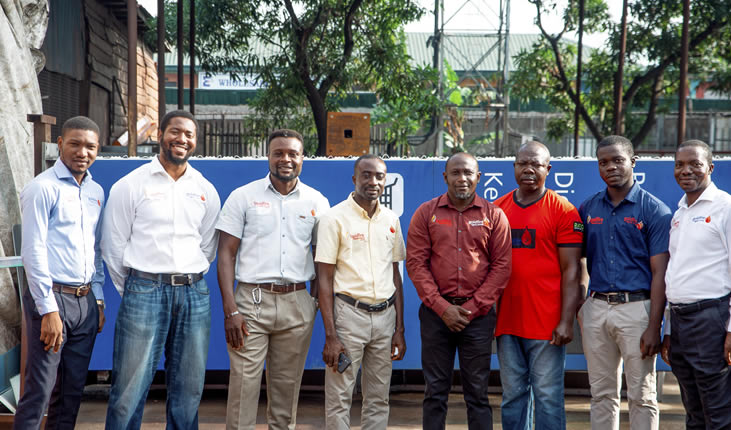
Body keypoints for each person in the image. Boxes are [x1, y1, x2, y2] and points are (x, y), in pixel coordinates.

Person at [101, 110, 221, 430]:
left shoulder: (205, 189)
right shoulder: (131, 185)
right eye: (175, 132)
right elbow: (113, 246)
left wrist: (185, 277)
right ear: (160, 136)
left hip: (194, 294)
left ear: (195, 142)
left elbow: (207, 246)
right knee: (128, 388)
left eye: (189, 135)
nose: (182, 139)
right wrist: (137, 290)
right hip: (144, 291)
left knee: (189, 388)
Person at [215, 129, 329, 430]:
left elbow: (322, 260)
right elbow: (225, 254)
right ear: (268, 156)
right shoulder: (244, 196)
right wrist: (231, 310)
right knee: (243, 387)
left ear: (302, 159)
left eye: (293, 153)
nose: (286, 159)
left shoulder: (317, 202)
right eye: (278, 153)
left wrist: (312, 303)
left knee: (286, 390)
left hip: (297, 303)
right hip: (250, 303)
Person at [406, 152, 511, 430]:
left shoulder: (494, 215)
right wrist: (442, 308)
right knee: (435, 391)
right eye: (455, 173)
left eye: (468, 173)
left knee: (477, 393)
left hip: (477, 318)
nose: (461, 178)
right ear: (445, 177)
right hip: (435, 317)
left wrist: (472, 309)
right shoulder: (426, 213)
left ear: (478, 177)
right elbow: (416, 264)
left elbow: (501, 267)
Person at [15, 116, 105, 430]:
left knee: (71, 392)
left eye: (90, 146)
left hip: (85, 300)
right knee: (40, 390)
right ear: (60, 144)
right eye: (75, 143)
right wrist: (48, 309)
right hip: (52, 298)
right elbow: (33, 251)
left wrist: (99, 299)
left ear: (97, 149)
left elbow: (95, 249)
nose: (83, 151)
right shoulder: (42, 188)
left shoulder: (95, 192)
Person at [661, 140, 731, 429]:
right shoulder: (680, 214)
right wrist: (668, 329)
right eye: (679, 165)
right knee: (695, 415)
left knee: (721, 415)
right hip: (681, 323)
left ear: (710, 168)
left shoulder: (729, 209)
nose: (686, 170)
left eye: (695, 164)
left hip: (713, 322)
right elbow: (674, 275)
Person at [578, 135, 671, 430]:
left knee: (642, 395)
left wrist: (654, 324)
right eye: (603, 162)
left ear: (632, 162)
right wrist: (583, 307)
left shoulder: (654, 210)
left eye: (618, 160)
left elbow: (660, 273)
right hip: (597, 308)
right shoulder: (589, 208)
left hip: (637, 310)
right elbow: (578, 259)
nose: (610, 167)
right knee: (601, 394)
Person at [493, 142, 582, 430]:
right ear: (514, 167)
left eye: (536, 164)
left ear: (548, 169)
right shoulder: (498, 210)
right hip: (507, 322)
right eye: (522, 164)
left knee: (548, 397)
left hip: (547, 325)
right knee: (512, 396)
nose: (529, 169)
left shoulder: (564, 211)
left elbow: (573, 272)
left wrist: (566, 321)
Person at [315, 154, 406, 430]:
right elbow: (324, 280)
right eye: (366, 175)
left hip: (384, 318)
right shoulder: (334, 218)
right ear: (355, 179)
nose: (373, 181)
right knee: (340, 397)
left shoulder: (391, 219)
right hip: (348, 317)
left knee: (378, 398)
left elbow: (395, 275)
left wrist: (399, 328)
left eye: (379, 176)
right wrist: (331, 335)